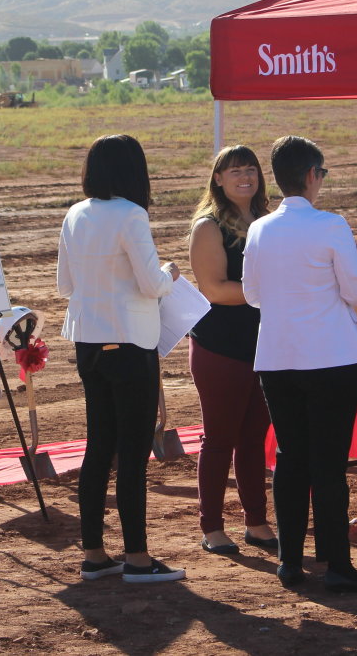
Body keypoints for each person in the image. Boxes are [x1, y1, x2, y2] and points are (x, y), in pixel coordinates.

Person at [243, 135, 357, 593]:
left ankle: (290, 560)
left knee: (290, 457)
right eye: (321, 173)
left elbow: (252, 295)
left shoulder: (261, 228)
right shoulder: (330, 225)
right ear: (310, 176)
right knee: (328, 463)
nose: (321, 181)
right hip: (330, 357)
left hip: (279, 357)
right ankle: (337, 563)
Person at [57, 134, 185, 584]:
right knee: (132, 453)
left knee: (99, 447)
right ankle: (137, 558)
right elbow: (152, 284)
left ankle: (93, 552)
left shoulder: (75, 213)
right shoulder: (132, 214)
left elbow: (64, 283)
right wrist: (169, 274)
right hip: (130, 343)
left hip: (87, 341)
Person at [187, 145, 278, 556]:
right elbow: (215, 290)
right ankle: (212, 527)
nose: (245, 176)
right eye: (234, 170)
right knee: (220, 439)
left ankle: (257, 522)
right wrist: (271, 291)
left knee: (254, 438)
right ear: (218, 179)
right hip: (220, 347)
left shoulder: (268, 220)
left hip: (264, 344)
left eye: (251, 169)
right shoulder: (208, 227)